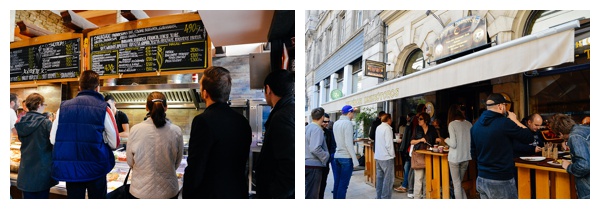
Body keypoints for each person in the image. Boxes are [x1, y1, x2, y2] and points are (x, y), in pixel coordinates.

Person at [182, 66, 252, 199]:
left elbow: (196, 168)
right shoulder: (243, 122)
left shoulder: (203, 121)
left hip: (212, 195)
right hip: (237, 193)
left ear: (205, 93)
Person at [50, 70, 119, 199]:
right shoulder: (104, 108)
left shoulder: (63, 108)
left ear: (80, 87)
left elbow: (53, 140)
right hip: (96, 168)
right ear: (97, 88)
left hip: (72, 171)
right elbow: (115, 142)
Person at [470, 93, 532, 199]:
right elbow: (528, 137)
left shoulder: (475, 126)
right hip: (501, 179)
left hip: (481, 178)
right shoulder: (504, 123)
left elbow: (473, 154)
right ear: (500, 106)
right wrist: (514, 119)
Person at [126, 92, 183, 199]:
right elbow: (176, 163)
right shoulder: (176, 131)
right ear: (166, 107)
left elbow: (130, 162)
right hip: (169, 192)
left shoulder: (135, 130)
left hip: (139, 192)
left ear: (146, 107)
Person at [255, 69, 295, 199]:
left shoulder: (282, 116)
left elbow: (289, 164)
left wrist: (274, 195)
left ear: (268, 89)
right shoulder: (289, 110)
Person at [14, 93, 58, 198]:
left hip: (25, 172)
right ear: (39, 104)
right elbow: (54, 143)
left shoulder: (21, 122)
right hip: (42, 173)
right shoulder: (46, 123)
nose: (44, 107)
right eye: (44, 104)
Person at [548, 113, 589, 199]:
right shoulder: (585, 129)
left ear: (560, 133)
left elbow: (584, 166)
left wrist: (569, 166)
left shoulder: (574, 136)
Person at [444, 104, 472, 199]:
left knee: (456, 184)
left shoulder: (452, 124)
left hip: (455, 158)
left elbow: (453, 144)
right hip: (466, 157)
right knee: (458, 183)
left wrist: (446, 140)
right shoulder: (469, 124)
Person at [411, 112, 441, 199]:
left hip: (429, 155)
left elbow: (434, 139)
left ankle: (426, 197)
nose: (419, 120)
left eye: (420, 119)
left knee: (427, 179)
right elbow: (412, 141)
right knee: (419, 179)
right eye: (418, 119)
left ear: (426, 120)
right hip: (419, 155)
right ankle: (417, 198)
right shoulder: (417, 128)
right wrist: (420, 140)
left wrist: (437, 139)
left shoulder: (431, 128)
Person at [332, 105, 358, 199]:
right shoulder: (348, 123)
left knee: (337, 183)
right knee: (343, 185)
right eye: (353, 113)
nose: (353, 115)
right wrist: (355, 159)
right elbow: (348, 143)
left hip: (337, 156)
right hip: (346, 157)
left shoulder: (336, 123)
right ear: (350, 112)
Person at [305, 107, 329, 199]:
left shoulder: (306, 128)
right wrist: (326, 156)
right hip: (313, 166)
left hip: (306, 164)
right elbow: (315, 148)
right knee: (312, 195)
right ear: (322, 117)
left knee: (307, 193)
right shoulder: (317, 129)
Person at [375, 113, 395, 199]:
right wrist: (392, 155)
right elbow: (388, 144)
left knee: (380, 179)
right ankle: (385, 199)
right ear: (389, 119)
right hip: (387, 157)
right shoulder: (387, 129)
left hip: (378, 156)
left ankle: (379, 197)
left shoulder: (378, 127)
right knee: (388, 180)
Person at [395, 113, 414, 193]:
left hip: (408, 150)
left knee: (407, 167)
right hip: (408, 150)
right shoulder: (409, 126)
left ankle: (405, 185)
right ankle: (406, 184)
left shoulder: (409, 126)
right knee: (408, 167)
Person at [319, 113, 336, 199]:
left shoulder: (329, 133)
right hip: (314, 163)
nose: (326, 123)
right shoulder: (313, 130)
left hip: (325, 163)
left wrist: (328, 158)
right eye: (324, 121)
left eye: (328, 122)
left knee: (322, 185)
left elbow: (332, 146)